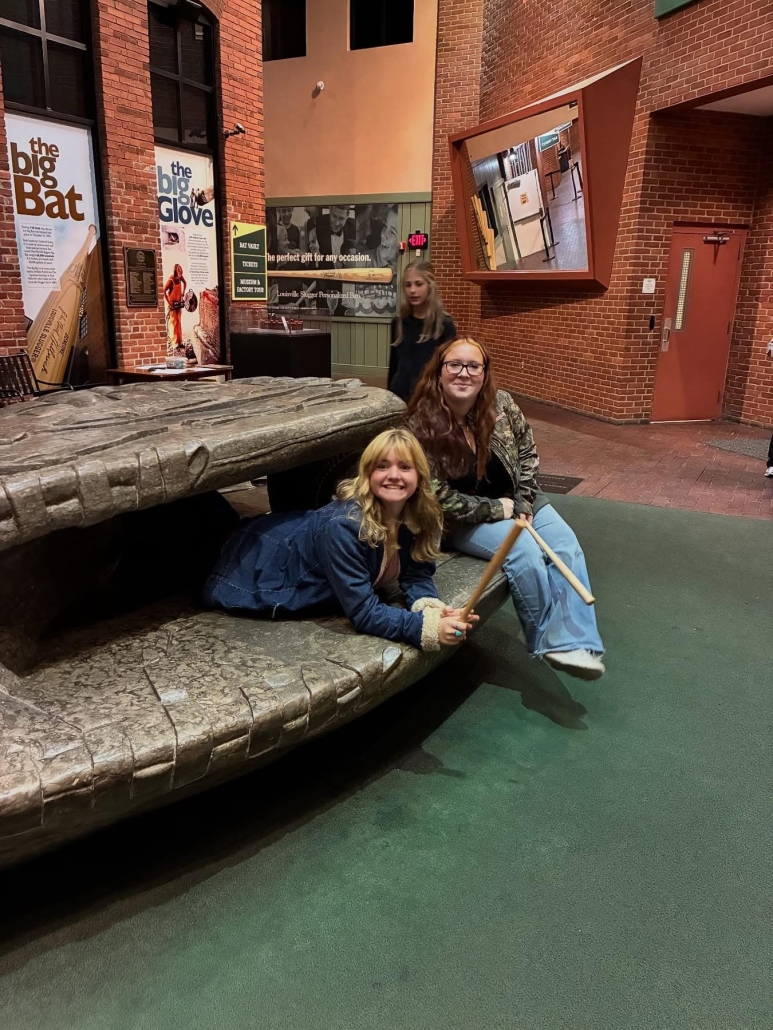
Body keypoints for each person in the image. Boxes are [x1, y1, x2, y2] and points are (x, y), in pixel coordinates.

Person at [406, 337, 605, 680]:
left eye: (474, 366)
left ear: (484, 373)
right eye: (454, 365)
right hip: (462, 518)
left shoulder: (502, 404)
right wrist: (495, 510)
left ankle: (578, 641)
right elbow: (434, 493)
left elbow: (527, 453)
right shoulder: (419, 424)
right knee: (524, 550)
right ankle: (551, 642)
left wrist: (524, 502)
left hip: (519, 498)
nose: (464, 373)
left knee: (565, 546)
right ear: (439, 372)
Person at [203, 428, 477, 651]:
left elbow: (416, 576)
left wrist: (432, 611)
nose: (394, 475)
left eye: (405, 467)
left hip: (287, 533)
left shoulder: (418, 515)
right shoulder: (344, 527)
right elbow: (364, 613)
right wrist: (424, 629)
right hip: (246, 558)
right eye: (383, 466)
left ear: (419, 476)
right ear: (367, 475)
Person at [388, 261, 457, 403]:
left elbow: (450, 368)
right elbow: (394, 364)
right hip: (400, 395)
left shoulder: (444, 324)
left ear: (430, 286)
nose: (412, 290)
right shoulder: (399, 322)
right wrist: (389, 397)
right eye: (408, 285)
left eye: (418, 284)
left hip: (430, 398)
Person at [164, 263, 186, 351]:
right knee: (173, 323)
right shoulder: (171, 280)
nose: (180, 276)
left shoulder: (180, 277)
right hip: (172, 304)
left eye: (181, 274)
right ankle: (174, 344)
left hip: (179, 303)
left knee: (179, 322)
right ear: (176, 272)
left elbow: (185, 283)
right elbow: (164, 290)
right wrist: (169, 302)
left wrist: (183, 292)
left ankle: (180, 342)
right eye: (178, 273)